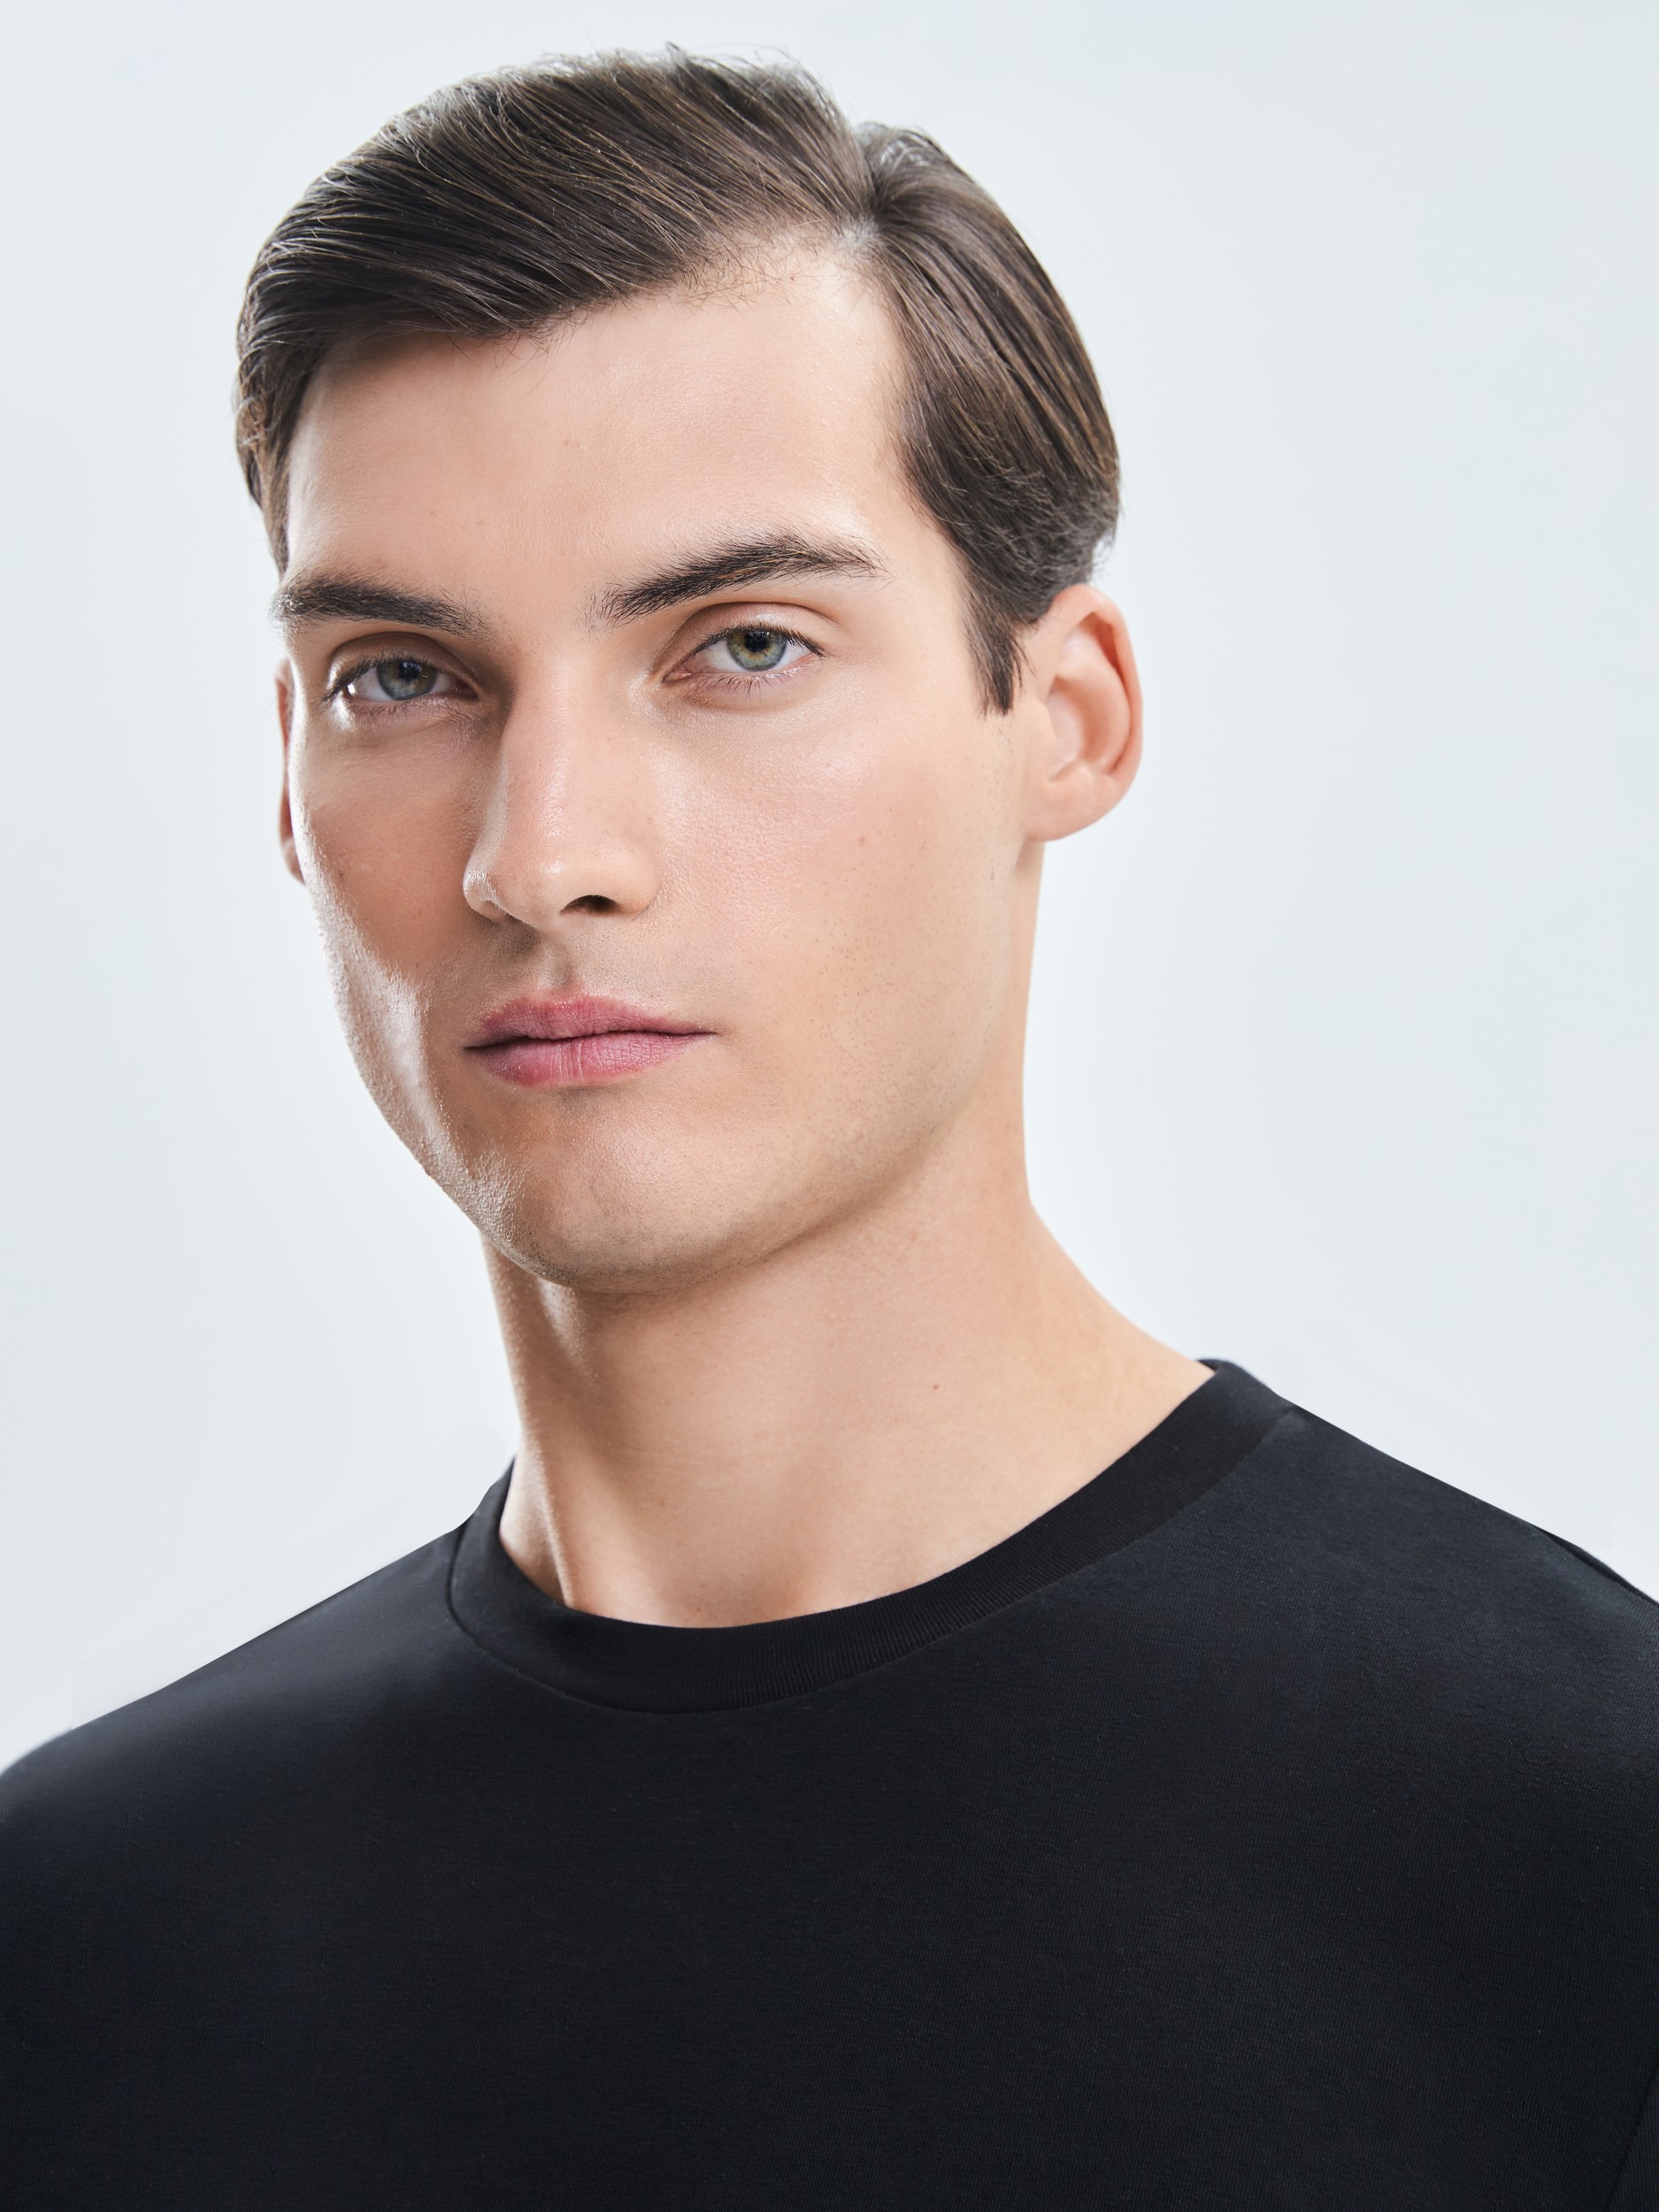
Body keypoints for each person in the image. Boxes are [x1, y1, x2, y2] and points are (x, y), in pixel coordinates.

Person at [3, 50, 1655, 2208]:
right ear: (286, 782)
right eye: (400, 675)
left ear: (1063, 719)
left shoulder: (1580, 1846)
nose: (540, 852)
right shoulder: (79, 1930)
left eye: (743, 645)